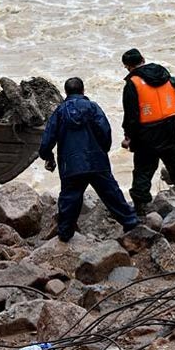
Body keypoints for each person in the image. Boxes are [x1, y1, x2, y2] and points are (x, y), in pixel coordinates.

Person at [39, 77, 139, 242]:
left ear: (66, 92)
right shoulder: (93, 107)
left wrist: (47, 156)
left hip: (71, 164)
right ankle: (130, 222)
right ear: (83, 90)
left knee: (69, 199)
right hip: (96, 161)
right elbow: (105, 131)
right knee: (111, 194)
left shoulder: (59, 112)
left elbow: (47, 139)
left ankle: (65, 234)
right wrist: (103, 150)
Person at [120, 49, 175, 216]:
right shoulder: (165, 75)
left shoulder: (132, 84)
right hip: (169, 130)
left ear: (128, 67)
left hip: (146, 135)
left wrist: (128, 137)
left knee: (143, 171)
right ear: (143, 59)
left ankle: (141, 211)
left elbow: (131, 115)